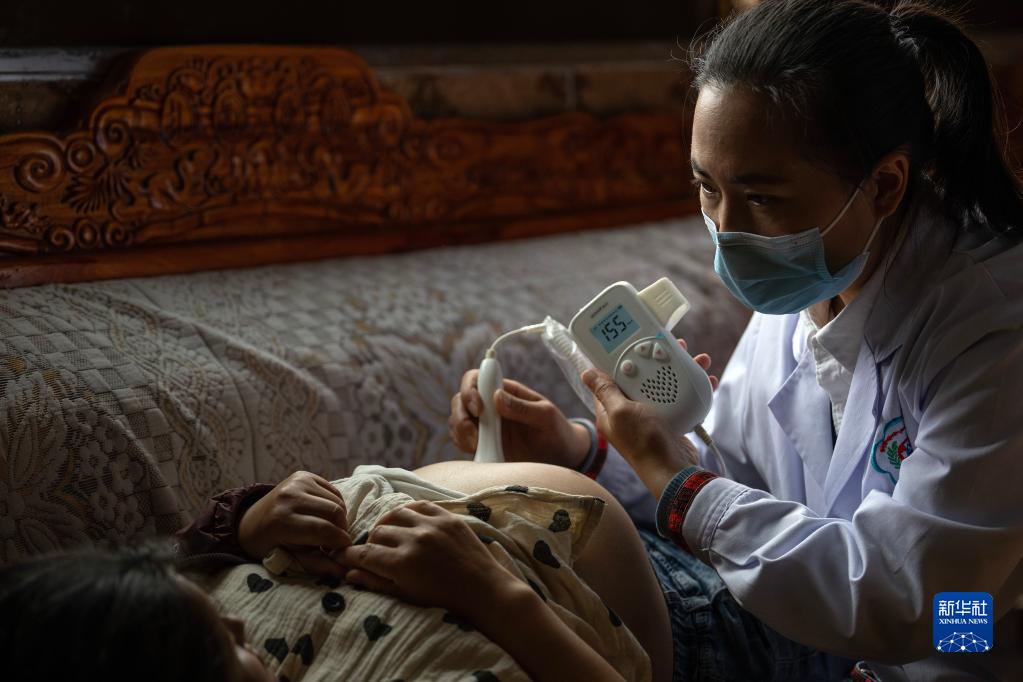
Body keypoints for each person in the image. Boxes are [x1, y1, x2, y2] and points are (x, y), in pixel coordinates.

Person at [450, 1, 1023, 680]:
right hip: (840, 633)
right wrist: (584, 453)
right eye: (706, 188)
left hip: (969, 640)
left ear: (884, 185)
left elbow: (919, 601)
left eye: (762, 198)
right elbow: (739, 496)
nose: (726, 232)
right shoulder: (810, 282)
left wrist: (682, 487)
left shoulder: (995, 329)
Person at [0, 464, 674, 682]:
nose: (240, 627)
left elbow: (180, 558)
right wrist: (492, 593)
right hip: (688, 611)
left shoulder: (124, 628)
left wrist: (243, 526)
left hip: (568, 518)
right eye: (228, 647)